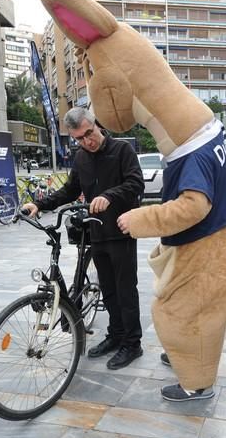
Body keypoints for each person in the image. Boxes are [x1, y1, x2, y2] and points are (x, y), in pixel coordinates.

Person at [22, 107, 145, 370]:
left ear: (97, 125)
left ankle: (132, 343)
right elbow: (69, 190)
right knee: (108, 290)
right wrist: (40, 204)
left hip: (122, 231)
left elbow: (136, 184)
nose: (87, 141)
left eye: (89, 133)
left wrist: (109, 195)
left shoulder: (122, 151)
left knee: (125, 290)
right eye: (79, 138)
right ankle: (116, 334)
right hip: (95, 233)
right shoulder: (81, 158)